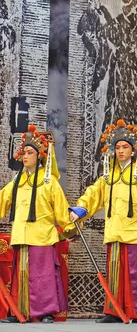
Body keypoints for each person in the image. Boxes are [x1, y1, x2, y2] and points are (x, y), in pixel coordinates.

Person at [69, 119, 137, 324]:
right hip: (115, 231)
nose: (121, 151)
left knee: (136, 274)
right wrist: (81, 209)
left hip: (135, 232)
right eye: (117, 147)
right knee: (115, 272)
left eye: (125, 147)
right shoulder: (108, 176)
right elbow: (93, 195)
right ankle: (114, 311)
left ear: (133, 150)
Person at [0, 125, 75, 323]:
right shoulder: (18, 181)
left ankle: (44, 312)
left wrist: (68, 226)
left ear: (39, 156)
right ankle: (19, 311)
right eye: (24, 152)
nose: (25, 156)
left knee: (42, 277)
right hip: (21, 235)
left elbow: (61, 207)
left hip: (42, 235)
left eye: (30, 152)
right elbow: (2, 200)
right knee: (21, 275)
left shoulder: (49, 182)